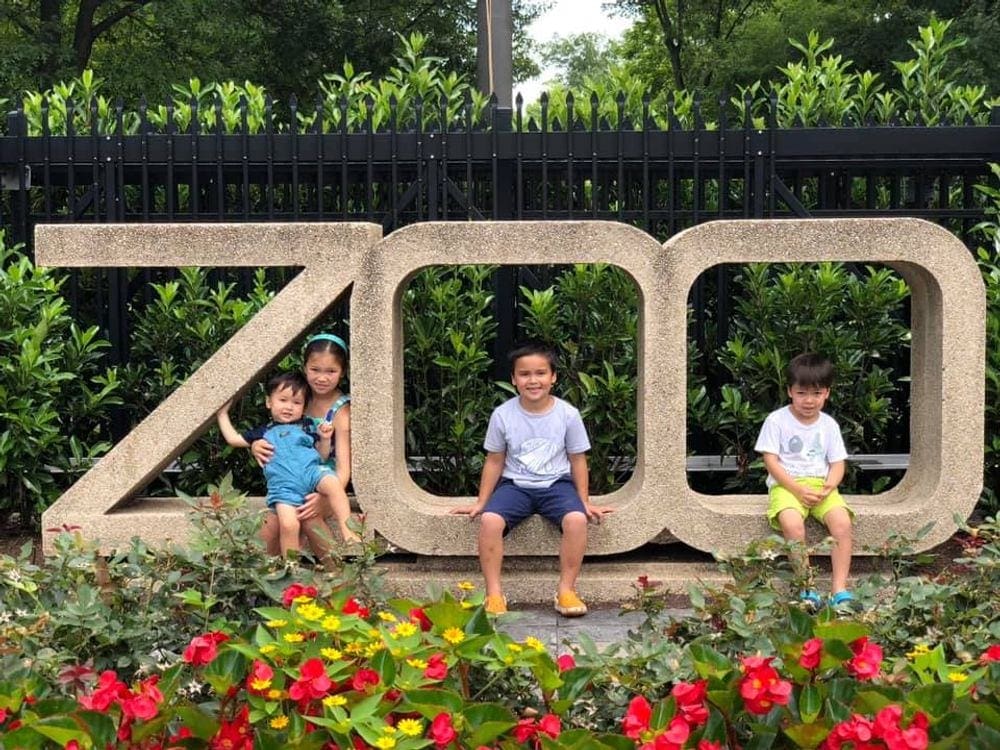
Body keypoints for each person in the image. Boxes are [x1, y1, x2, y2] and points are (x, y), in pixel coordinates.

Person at [450, 341, 614, 617]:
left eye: (540, 373)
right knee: (490, 520)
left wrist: (583, 500)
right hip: (515, 485)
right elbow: (494, 460)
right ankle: (494, 595)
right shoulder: (503, 415)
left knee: (575, 520)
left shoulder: (568, 415)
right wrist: (482, 501)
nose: (533, 380)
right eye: (524, 374)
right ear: (514, 379)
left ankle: (566, 591)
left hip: (557, 485)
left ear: (553, 377)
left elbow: (577, 459)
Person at [754, 352, 855, 608]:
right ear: (790, 391)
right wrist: (797, 489)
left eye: (817, 393)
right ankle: (806, 587)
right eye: (801, 393)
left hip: (821, 486)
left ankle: (839, 589)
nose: (809, 400)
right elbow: (771, 460)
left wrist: (830, 485)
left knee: (842, 524)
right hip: (787, 486)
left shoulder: (828, 425)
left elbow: (837, 462)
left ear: (827, 393)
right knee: (793, 524)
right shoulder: (776, 421)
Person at [217, 371, 348, 559]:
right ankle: (291, 567)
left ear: (303, 408)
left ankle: (348, 530)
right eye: (283, 400)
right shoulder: (263, 432)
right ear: (269, 402)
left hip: (311, 475)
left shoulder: (307, 426)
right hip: (285, 489)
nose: (289, 407)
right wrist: (222, 414)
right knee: (289, 525)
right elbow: (233, 439)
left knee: (334, 484)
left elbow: (321, 455)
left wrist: (325, 439)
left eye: (296, 403)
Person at [249, 333, 360, 550]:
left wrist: (323, 499)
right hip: (293, 480)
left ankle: (337, 576)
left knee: (309, 519)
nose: (322, 377)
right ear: (305, 367)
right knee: (272, 523)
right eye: (315, 370)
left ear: (343, 372)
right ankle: (268, 577)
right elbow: (276, 435)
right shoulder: (296, 399)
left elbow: (343, 470)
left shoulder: (342, 411)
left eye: (331, 371)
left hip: (326, 484)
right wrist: (255, 445)